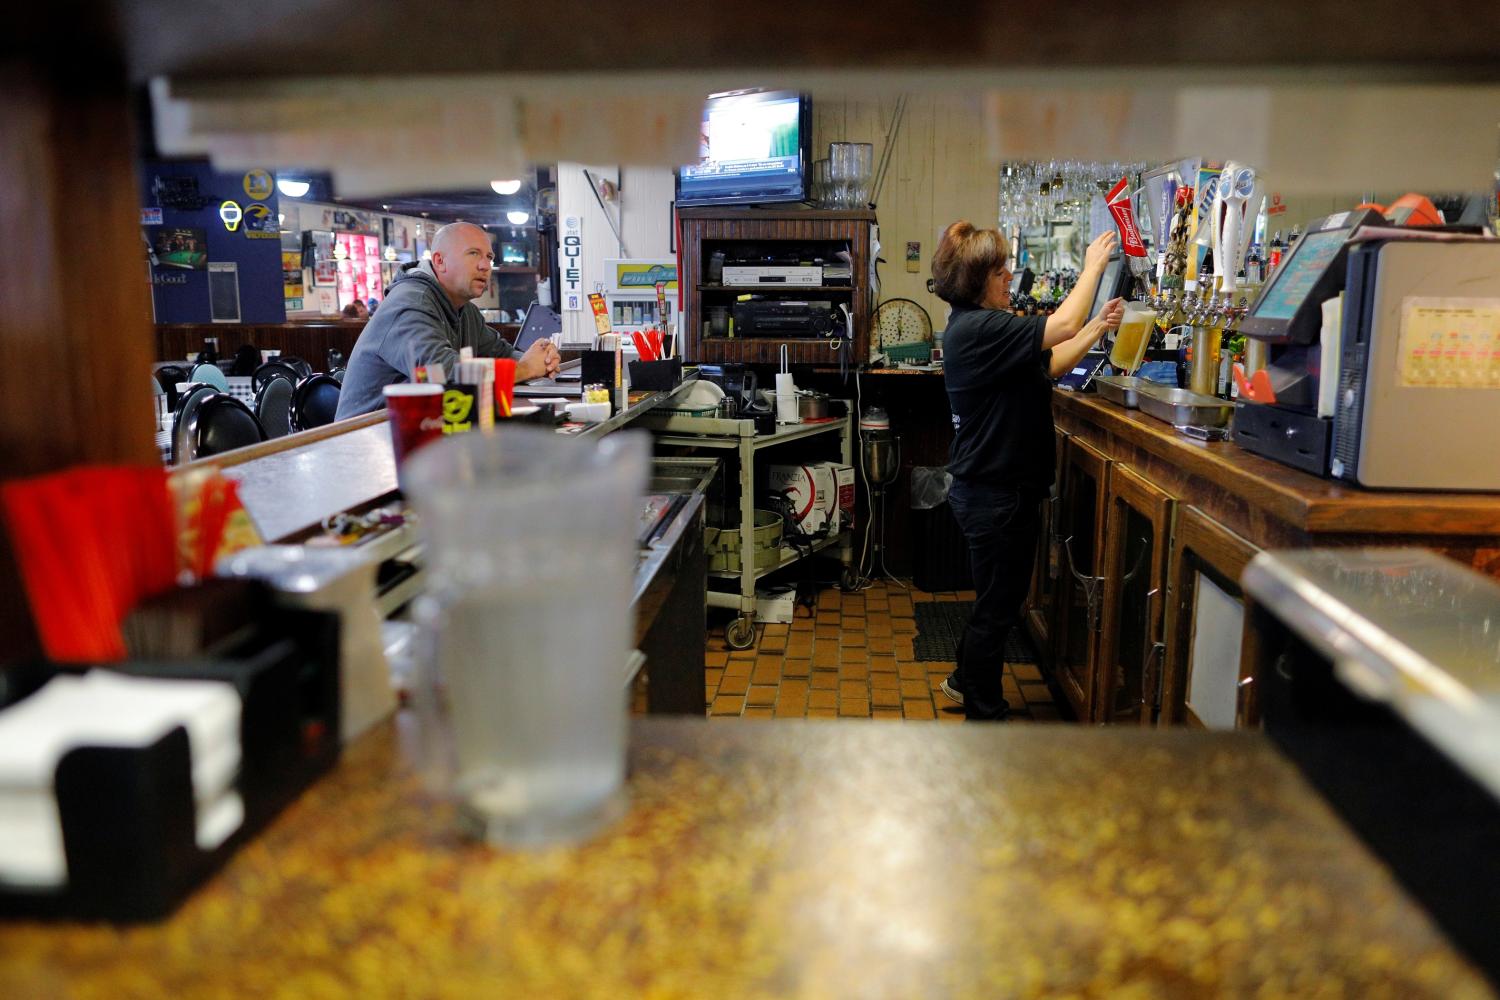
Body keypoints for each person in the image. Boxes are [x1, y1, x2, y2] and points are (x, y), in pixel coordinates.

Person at [933, 221, 1123, 720]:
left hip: (997, 491)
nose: (1009, 277)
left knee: (995, 601)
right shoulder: (978, 328)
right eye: (999, 271)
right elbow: (1059, 325)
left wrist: (1098, 327)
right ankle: (984, 711)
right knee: (997, 610)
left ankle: (964, 681)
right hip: (995, 494)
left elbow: (1053, 359)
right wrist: (1094, 268)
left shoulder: (984, 329)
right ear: (976, 280)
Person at [335, 222, 560, 418]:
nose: (485, 265)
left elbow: (501, 352)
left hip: (425, 429)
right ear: (439, 261)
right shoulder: (410, 303)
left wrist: (543, 360)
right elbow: (442, 375)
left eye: (489, 257)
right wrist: (526, 369)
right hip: (366, 439)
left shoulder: (464, 309)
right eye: (473, 253)